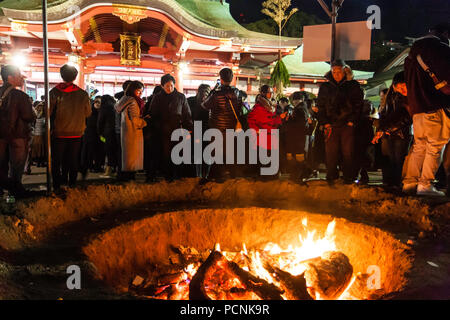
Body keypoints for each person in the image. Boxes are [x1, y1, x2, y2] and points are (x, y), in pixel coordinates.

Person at [402, 23, 450, 196]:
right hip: (435, 105)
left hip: (417, 108)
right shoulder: (440, 48)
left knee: (419, 146)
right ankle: (425, 185)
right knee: (435, 146)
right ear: (445, 33)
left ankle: (409, 183)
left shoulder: (412, 52)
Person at [317, 59, 364, 185]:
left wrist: (352, 121)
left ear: (345, 71)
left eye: (339, 71)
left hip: (347, 124)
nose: (336, 74)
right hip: (330, 124)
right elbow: (320, 106)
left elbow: (358, 105)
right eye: (334, 71)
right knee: (330, 152)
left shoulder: (352, 85)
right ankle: (331, 175)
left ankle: (349, 176)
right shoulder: (325, 87)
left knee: (348, 152)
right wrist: (325, 122)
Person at [49, 64, 91, 192]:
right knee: (73, 159)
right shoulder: (83, 94)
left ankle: (57, 184)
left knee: (57, 160)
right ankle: (72, 183)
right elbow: (88, 113)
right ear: (75, 76)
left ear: (61, 75)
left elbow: (48, 111)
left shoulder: (54, 92)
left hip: (59, 131)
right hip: (77, 132)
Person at [0, 65, 36, 198]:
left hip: (1, 136)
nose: (21, 77)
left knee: (1, 164)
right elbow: (28, 116)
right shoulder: (20, 95)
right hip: (18, 136)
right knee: (17, 166)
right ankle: (15, 191)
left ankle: (3, 191)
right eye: (18, 74)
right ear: (10, 78)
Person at [149, 74, 193, 181]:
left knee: (178, 152)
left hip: (178, 129)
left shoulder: (181, 97)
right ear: (162, 86)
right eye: (167, 86)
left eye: (171, 86)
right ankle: (168, 175)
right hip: (163, 130)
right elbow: (152, 113)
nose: (170, 88)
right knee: (166, 154)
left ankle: (177, 175)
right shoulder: (157, 97)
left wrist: (189, 128)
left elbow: (187, 113)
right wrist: (157, 126)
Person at [372, 72, 413, 189]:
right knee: (388, 158)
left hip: (401, 133)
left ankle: (397, 183)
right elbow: (385, 113)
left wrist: (386, 128)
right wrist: (382, 129)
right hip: (387, 133)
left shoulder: (409, 98)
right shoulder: (390, 96)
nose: (403, 89)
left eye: (404, 86)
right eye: (399, 87)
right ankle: (388, 182)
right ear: (394, 86)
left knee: (398, 159)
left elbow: (406, 118)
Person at [201, 68, 242, 181]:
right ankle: (231, 175)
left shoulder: (216, 94)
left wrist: (213, 90)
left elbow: (204, 105)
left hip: (217, 128)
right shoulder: (237, 93)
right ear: (231, 78)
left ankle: (217, 177)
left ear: (221, 78)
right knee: (229, 154)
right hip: (231, 129)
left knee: (216, 154)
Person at [247, 85, 286, 180]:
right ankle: (265, 178)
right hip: (264, 137)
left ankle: (270, 177)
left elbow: (271, 121)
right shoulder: (259, 107)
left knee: (270, 157)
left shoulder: (270, 105)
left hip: (270, 136)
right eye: (270, 92)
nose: (271, 94)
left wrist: (279, 119)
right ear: (264, 93)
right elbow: (255, 120)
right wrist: (258, 130)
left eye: (272, 92)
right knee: (265, 159)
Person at [115, 81, 147, 181]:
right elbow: (135, 119)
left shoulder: (124, 99)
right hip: (133, 131)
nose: (140, 93)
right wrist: (145, 122)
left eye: (141, 91)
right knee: (131, 159)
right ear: (133, 90)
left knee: (126, 157)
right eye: (138, 91)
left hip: (126, 131)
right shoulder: (133, 101)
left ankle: (123, 178)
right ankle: (129, 180)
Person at [280, 91, 310, 183]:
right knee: (298, 156)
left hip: (297, 137)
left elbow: (297, 124)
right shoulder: (302, 108)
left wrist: (287, 120)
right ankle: (299, 175)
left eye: (296, 100)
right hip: (299, 137)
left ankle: (299, 175)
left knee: (298, 156)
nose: (295, 102)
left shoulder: (299, 109)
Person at [188, 84, 211, 179]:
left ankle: (204, 175)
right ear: (198, 91)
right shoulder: (190, 101)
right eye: (202, 91)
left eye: (206, 92)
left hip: (207, 129)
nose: (204, 94)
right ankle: (199, 175)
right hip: (196, 129)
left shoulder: (211, 102)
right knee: (198, 154)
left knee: (206, 154)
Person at [142, 85, 163, 182]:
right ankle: (152, 174)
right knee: (155, 154)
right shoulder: (159, 102)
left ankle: (149, 174)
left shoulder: (148, 103)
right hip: (156, 132)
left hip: (149, 133)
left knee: (150, 154)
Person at [80, 96, 104, 177]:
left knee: (99, 151)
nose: (97, 104)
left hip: (99, 135)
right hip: (89, 134)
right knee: (90, 151)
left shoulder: (102, 111)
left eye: (99, 102)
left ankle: (97, 166)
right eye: (96, 102)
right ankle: (89, 166)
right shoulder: (89, 112)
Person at [97, 94, 118, 178]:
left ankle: (108, 172)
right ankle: (115, 170)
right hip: (116, 132)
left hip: (107, 133)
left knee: (108, 151)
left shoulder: (104, 108)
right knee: (115, 151)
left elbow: (100, 122)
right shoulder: (115, 106)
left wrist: (99, 133)